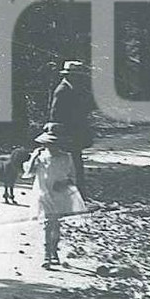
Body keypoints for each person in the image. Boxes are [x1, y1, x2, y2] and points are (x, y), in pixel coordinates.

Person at [24, 122, 86, 269]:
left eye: (55, 144)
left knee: (56, 224)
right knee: (48, 223)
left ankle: (54, 252)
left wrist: (64, 183)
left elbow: (73, 177)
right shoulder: (40, 157)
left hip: (59, 194)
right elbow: (29, 173)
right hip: (43, 193)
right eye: (48, 144)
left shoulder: (67, 157)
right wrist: (33, 157)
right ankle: (46, 254)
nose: (52, 147)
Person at [48, 59, 93, 198]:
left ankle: (78, 191)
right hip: (66, 132)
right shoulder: (62, 90)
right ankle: (71, 193)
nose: (79, 78)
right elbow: (55, 113)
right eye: (76, 75)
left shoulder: (74, 88)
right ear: (68, 75)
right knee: (68, 163)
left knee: (76, 162)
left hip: (75, 131)